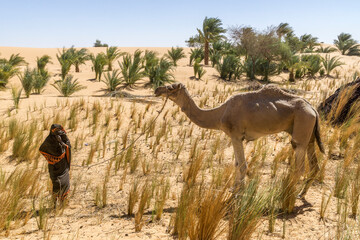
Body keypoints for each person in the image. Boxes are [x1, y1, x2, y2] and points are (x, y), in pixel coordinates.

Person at [39, 124, 71, 208]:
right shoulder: (49, 140)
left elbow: (68, 147)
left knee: (65, 184)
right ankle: (54, 204)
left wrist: (61, 142)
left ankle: (63, 204)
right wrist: (52, 159)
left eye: (58, 131)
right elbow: (42, 149)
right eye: (55, 131)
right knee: (56, 184)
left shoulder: (62, 136)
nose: (57, 133)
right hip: (54, 167)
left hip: (63, 166)